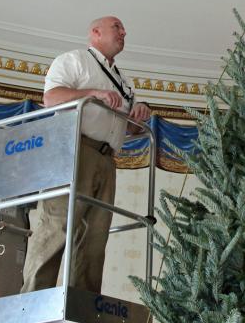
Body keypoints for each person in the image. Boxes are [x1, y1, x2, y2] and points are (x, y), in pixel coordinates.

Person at [21, 15, 152, 294]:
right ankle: (32, 298)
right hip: (75, 148)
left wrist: (138, 117)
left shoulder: (124, 81)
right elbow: (51, 98)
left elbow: (126, 128)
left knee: (95, 234)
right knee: (58, 225)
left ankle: (84, 302)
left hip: (107, 159)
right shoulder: (76, 60)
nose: (124, 31)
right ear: (95, 32)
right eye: (117, 26)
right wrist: (94, 93)